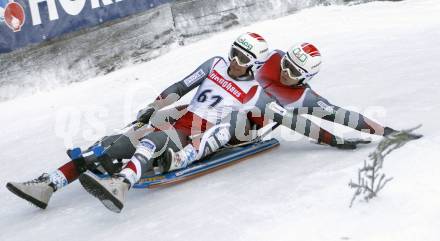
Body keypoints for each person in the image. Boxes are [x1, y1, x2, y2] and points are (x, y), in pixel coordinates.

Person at [6, 34, 363, 213]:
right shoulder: (215, 64)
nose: (234, 59)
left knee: (155, 141)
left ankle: (121, 185)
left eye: (242, 57)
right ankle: (48, 185)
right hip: (179, 117)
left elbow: (296, 120)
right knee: (108, 145)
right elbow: (180, 86)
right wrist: (155, 105)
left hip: (198, 133)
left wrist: (335, 140)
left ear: (254, 63)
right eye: (233, 51)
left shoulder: (258, 93)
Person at [253, 42, 397, 138]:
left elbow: (343, 116)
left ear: (305, 78)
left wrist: (384, 131)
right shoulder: (272, 56)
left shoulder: (307, 99)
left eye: (294, 72)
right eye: (285, 63)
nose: (285, 72)